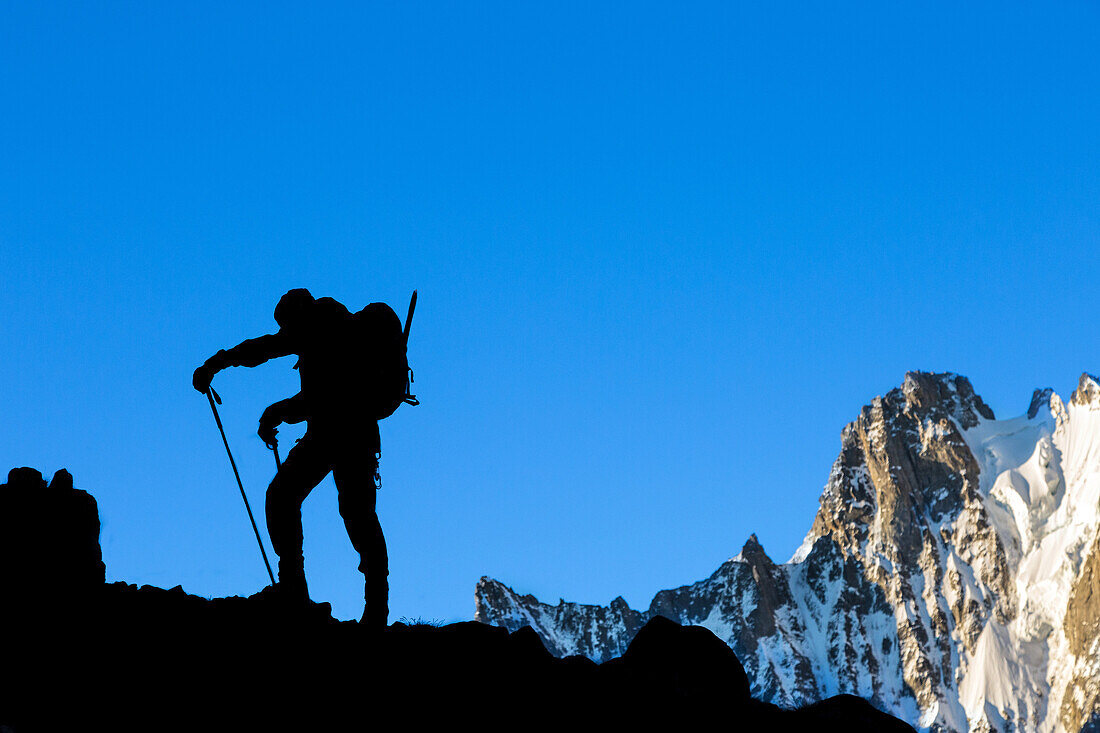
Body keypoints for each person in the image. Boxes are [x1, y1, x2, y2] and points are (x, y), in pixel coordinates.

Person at [193, 288, 389, 629]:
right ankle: (370, 608)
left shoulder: (323, 325)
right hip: (345, 435)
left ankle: (299, 592)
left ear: (296, 315)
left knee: (292, 498)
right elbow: (279, 357)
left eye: (286, 326)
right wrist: (277, 409)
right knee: (356, 515)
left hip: (340, 434)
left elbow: (316, 388)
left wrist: (219, 367)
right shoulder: (326, 324)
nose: (285, 335)